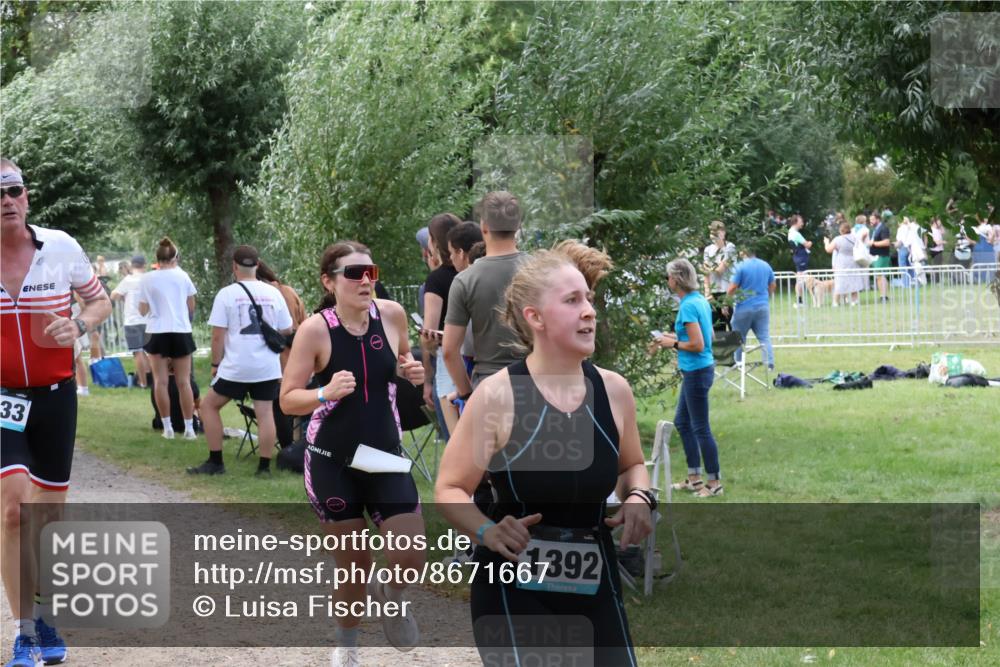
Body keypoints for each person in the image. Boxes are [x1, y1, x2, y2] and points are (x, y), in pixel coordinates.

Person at [436, 241, 652, 667]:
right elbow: (450, 488)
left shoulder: (614, 391)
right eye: (572, 301)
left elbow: (632, 466)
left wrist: (640, 498)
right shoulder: (498, 396)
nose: (589, 310)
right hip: (512, 583)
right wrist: (486, 532)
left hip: (594, 577)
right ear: (533, 317)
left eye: (588, 299)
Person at [278, 241, 425, 666]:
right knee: (354, 562)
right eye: (353, 273)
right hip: (331, 459)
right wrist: (324, 392)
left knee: (411, 554)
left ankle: (392, 595)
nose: (365, 281)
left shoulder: (392, 315)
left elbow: (400, 362)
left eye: (370, 272)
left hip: (382, 455)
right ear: (329, 281)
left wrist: (411, 369)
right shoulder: (315, 330)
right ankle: (347, 647)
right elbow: (288, 399)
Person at [1, 158, 111, 667]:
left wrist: (81, 326)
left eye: (13, 190)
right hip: (3, 399)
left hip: (55, 395)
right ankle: (23, 632)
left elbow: (100, 302)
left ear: (26, 196)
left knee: (47, 516)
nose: (6, 201)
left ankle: (44, 617)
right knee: (10, 509)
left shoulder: (61, 246)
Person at [188, 245, 293, 477]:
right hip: (267, 366)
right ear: (257, 265)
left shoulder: (226, 294)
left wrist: (216, 364)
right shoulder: (275, 293)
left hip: (236, 366)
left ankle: (216, 462)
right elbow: (286, 329)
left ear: (234, 266)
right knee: (265, 413)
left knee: (208, 406)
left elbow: (218, 335)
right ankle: (264, 467)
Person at [442, 191, 528, 401]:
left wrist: (466, 393)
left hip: (490, 387)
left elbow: (449, 350)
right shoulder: (542, 270)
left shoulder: (465, 280)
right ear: (518, 226)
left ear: (484, 227)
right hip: (540, 381)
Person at [650, 258, 723, 497]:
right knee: (682, 422)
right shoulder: (699, 300)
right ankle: (694, 478)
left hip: (697, 371)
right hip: (699, 370)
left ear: (676, 279)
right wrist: (672, 336)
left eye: (668, 276)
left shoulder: (688, 306)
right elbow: (708, 333)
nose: (667, 280)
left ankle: (714, 484)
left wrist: (672, 344)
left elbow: (698, 344)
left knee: (701, 427)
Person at [139, 237, 198, 439]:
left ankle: (167, 428)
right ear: (175, 257)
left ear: (157, 258)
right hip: (180, 330)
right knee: (184, 382)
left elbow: (142, 309)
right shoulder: (183, 277)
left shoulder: (147, 278)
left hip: (157, 330)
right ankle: (189, 428)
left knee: (160, 381)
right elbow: (191, 305)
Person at [256, 259, 307, 450]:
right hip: (295, 359)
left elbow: (290, 331)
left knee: (279, 404)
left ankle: (288, 449)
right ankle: (294, 447)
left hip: (285, 361)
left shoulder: (274, 294)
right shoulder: (287, 290)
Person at [420, 213, 462, 438]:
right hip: (478, 360)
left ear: (435, 242)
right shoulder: (472, 271)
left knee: (455, 437)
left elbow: (429, 333)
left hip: (448, 362)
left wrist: (427, 377)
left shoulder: (436, 280)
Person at [727, 248, 775, 371]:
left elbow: (732, 287)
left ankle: (738, 363)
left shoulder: (740, 266)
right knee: (764, 336)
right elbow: (772, 285)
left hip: (744, 307)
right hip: (762, 306)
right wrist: (766, 296)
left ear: (743, 252)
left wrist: (726, 301)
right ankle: (769, 364)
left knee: (739, 337)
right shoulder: (765, 265)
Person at [111, 255, 150, 387]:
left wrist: (124, 296)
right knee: (148, 352)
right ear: (144, 265)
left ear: (132, 266)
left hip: (132, 320)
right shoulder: (149, 279)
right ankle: (152, 379)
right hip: (149, 320)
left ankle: (143, 382)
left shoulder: (128, 280)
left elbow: (114, 295)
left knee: (137, 352)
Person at [702, 220, 737, 328]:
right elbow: (705, 272)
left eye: (717, 232)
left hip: (726, 291)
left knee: (731, 327)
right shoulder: (708, 249)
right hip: (713, 292)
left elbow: (720, 270)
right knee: (716, 328)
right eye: (712, 232)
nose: (714, 235)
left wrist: (709, 267)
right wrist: (707, 292)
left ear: (723, 232)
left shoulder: (729, 247)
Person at [824, 220, 864, 307]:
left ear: (841, 230)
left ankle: (835, 302)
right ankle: (855, 300)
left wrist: (826, 242)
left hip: (842, 262)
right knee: (854, 280)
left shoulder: (838, 239)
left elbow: (828, 250)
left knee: (839, 281)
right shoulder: (855, 238)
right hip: (853, 260)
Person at [787, 215, 812, 308]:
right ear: (796, 222)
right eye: (801, 221)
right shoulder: (796, 234)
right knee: (800, 279)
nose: (802, 223)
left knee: (800, 278)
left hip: (797, 257)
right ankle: (799, 301)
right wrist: (810, 243)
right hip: (801, 257)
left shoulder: (790, 232)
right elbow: (807, 245)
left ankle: (800, 300)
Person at [868, 212, 892, 301]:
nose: (871, 222)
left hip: (882, 256)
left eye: (872, 220)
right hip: (876, 256)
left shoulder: (883, 228)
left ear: (878, 219)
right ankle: (883, 296)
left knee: (880, 276)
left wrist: (873, 243)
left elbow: (886, 242)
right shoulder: (875, 229)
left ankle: (884, 296)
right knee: (879, 276)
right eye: (870, 220)